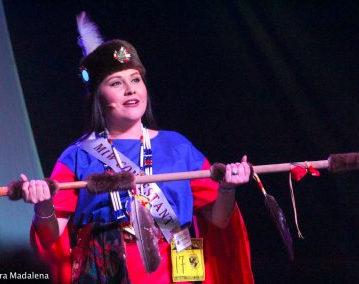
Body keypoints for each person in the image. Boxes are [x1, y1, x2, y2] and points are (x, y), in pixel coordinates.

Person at [22, 12, 254, 284]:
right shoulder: (77, 156)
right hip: (109, 272)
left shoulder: (177, 146)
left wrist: (228, 187)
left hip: (178, 271)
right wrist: (43, 205)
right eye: (116, 83)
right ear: (98, 97)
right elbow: (51, 237)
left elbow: (219, 219)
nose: (131, 90)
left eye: (136, 79)